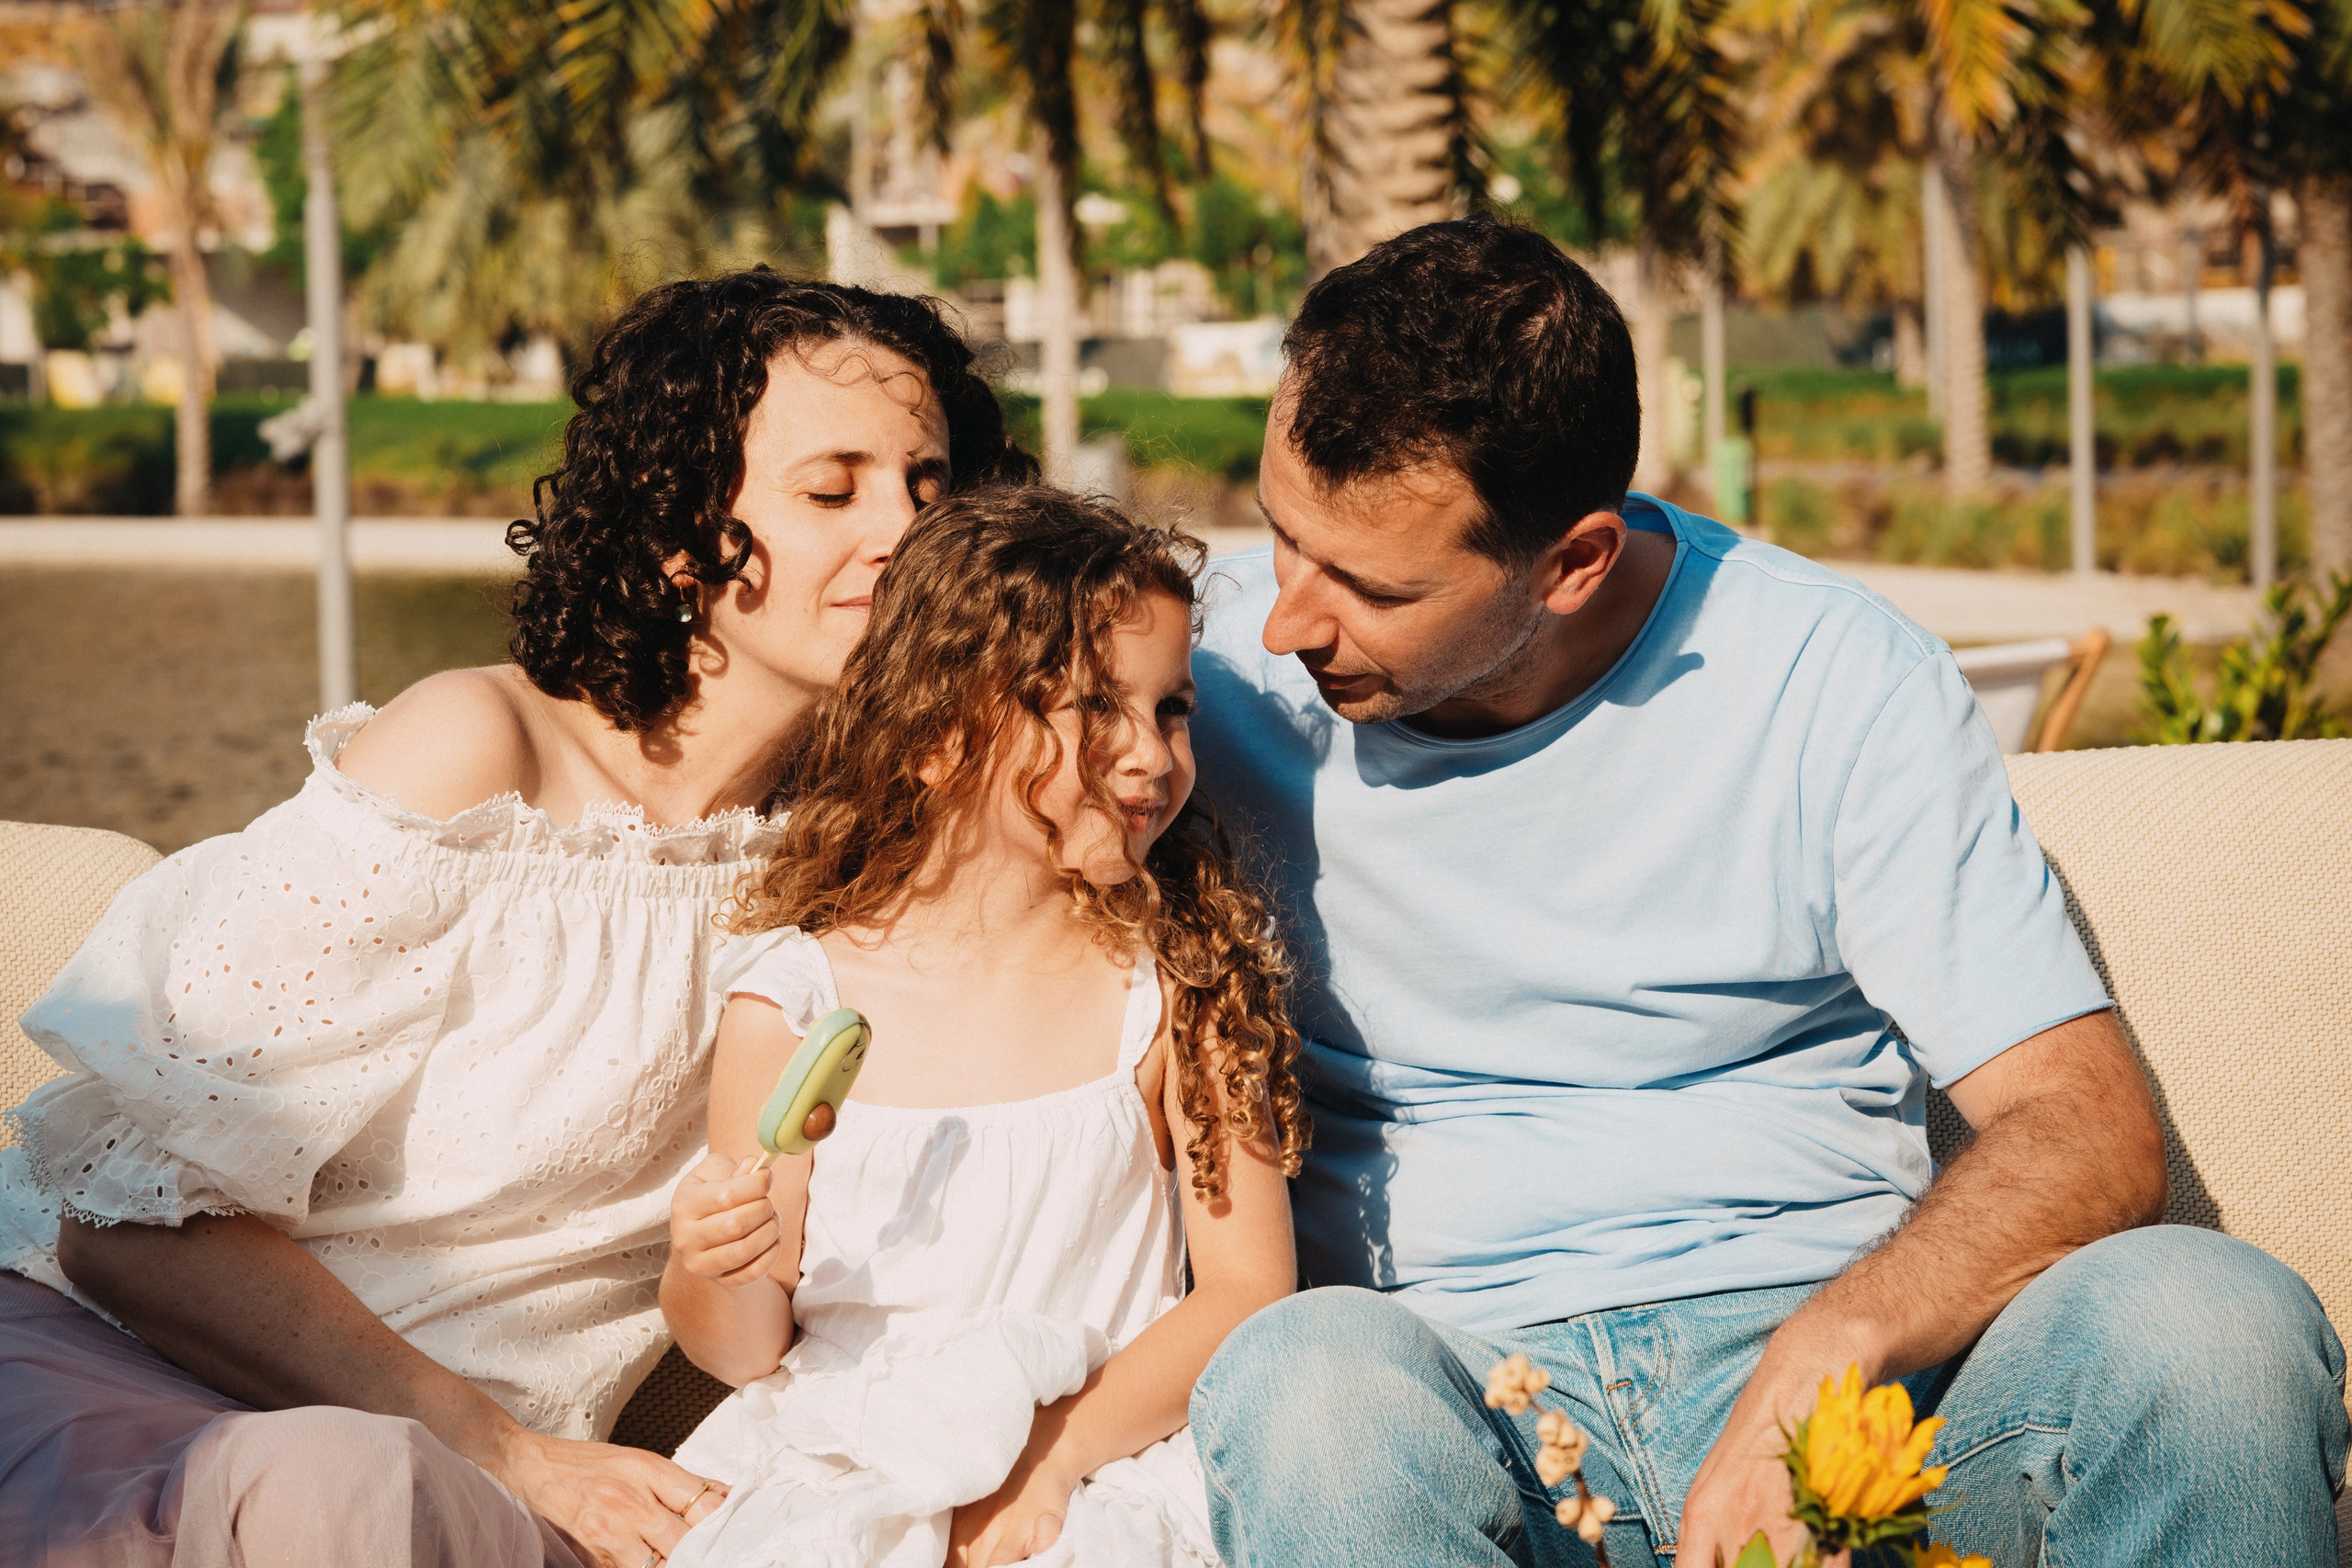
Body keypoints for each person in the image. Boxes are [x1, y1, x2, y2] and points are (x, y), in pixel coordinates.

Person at [1182, 218, 2349, 1567]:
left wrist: (1830, 1347)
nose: (1284, 622)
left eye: (1371, 585)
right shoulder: (1183, 688)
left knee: (2208, 1318)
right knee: (1300, 1380)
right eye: (1280, 536)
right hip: (1447, 1393)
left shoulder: (1835, 677)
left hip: (1847, 1391)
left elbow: (2084, 1127)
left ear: (1572, 562)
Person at [0, 269, 1036, 1568]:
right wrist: (501, 1449)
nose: (903, 530)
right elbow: (127, 1222)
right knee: (343, 1488)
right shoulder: (476, 764)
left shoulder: (875, 831)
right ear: (676, 530)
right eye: (831, 490)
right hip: (150, 1395)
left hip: (485, 1488)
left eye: (931, 487)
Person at [654, 488, 1305, 1568]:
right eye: (1096, 707)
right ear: (938, 732)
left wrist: (1052, 1453)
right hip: (849, 1459)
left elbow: (1245, 1289)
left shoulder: (1177, 986)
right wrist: (707, 1265)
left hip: (1100, 1454)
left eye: (1171, 708)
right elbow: (745, 1344)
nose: (1149, 754)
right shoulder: (797, 1000)